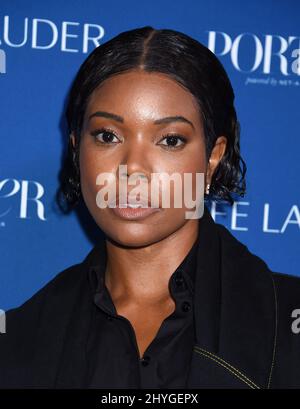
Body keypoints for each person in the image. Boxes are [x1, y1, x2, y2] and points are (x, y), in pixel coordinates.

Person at [0, 26, 299, 389]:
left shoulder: (288, 321)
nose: (133, 169)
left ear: (212, 159)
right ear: (77, 149)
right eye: (107, 136)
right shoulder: (18, 340)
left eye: (170, 140)